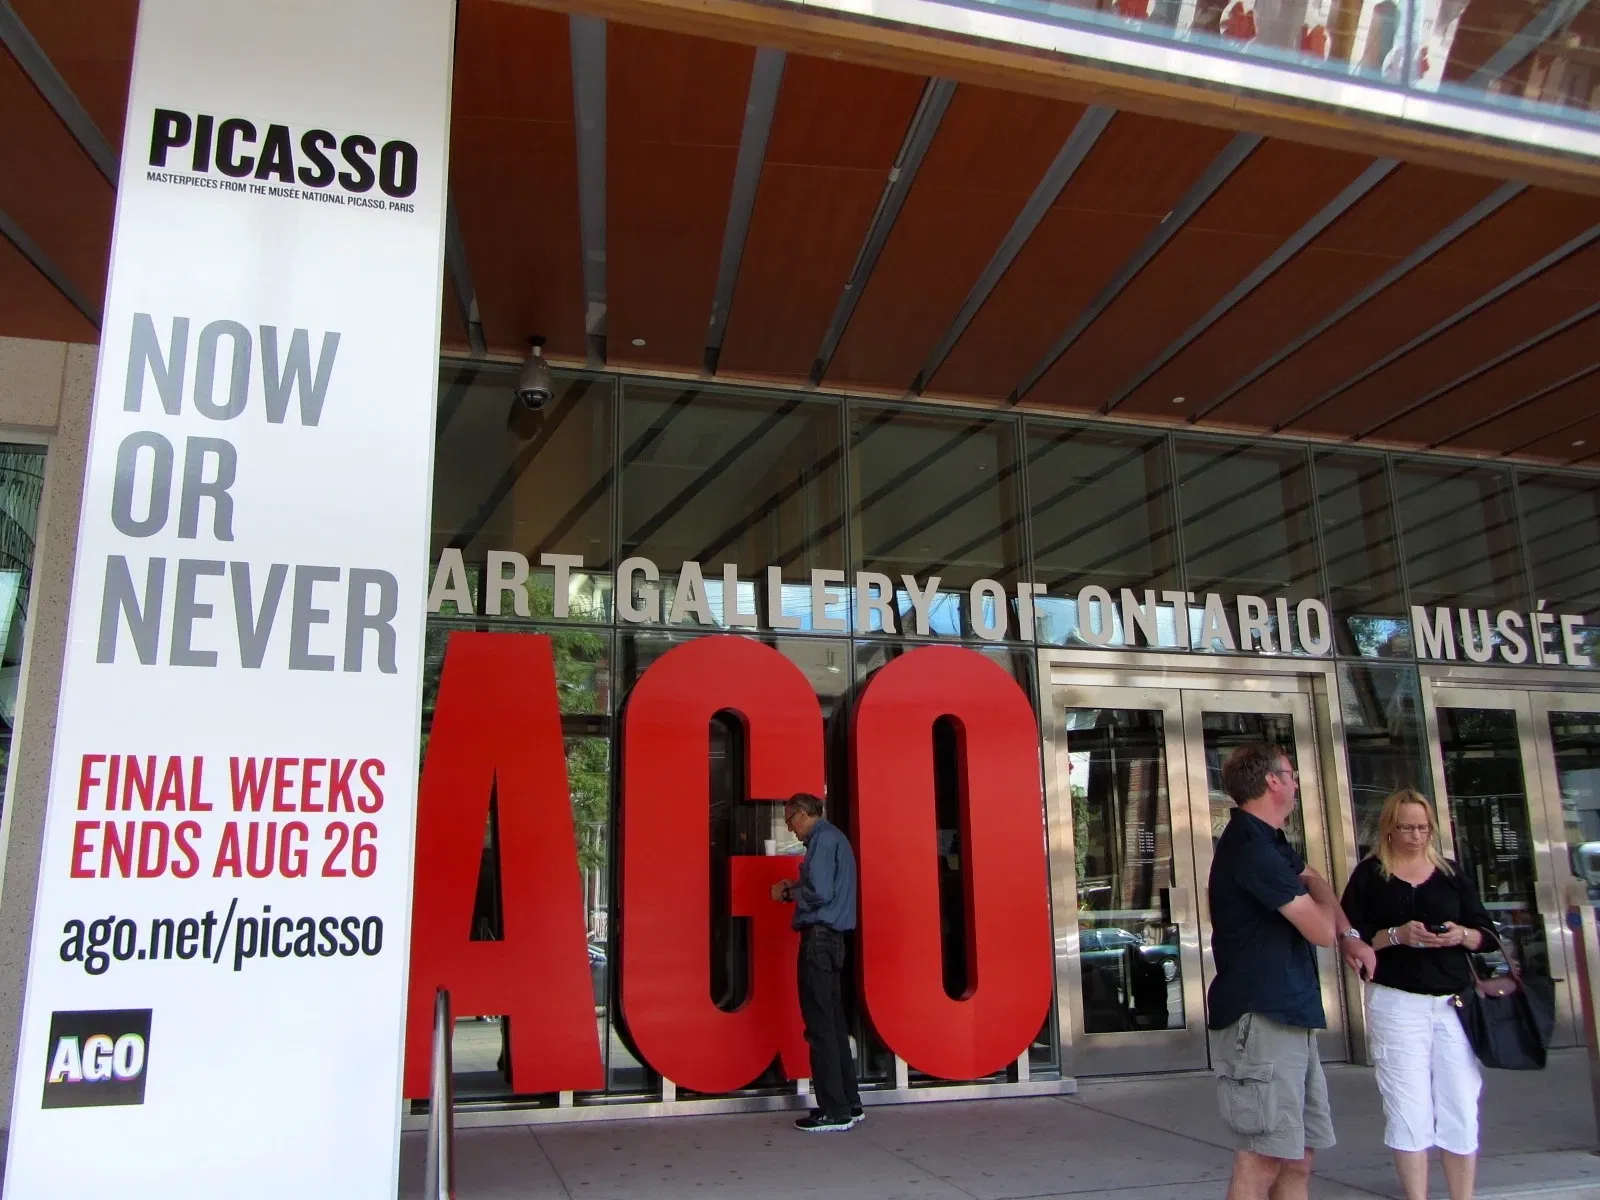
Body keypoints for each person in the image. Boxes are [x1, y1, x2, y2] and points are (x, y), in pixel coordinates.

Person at [1208, 742, 1376, 1200]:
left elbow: (1314, 880)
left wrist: (1350, 934)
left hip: (1290, 1013)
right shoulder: (1248, 848)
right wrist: (1333, 928)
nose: (1298, 781)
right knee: (1264, 1155)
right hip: (1259, 1018)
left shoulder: (1271, 840)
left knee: (1298, 1155)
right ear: (1271, 781)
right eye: (1292, 773)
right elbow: (1318, 927)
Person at [1337, 790, 1498, 1200]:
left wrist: (1462, 935)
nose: (1416, 835)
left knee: (1460, 1101)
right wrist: (1395, 936)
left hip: (1452, 1003)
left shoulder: (1450, 873)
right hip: (1397, 1000)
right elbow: (1350, 933)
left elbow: (1486, 933)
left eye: (1423, 827)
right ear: (1389, 828)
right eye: (1407, 827)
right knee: (1406, 1104)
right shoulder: (1370, 874)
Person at [770, 792, 862, 1133]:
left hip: (819, 940)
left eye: (790, 819)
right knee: (835, 1025)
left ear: (805, 813)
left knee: (820, 1026)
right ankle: (849, 1102)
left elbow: (820, 890)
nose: (789, 828)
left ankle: (833, 1111)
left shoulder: (822, 841)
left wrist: (789, 892)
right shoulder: (835, 838)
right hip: (834, 941)